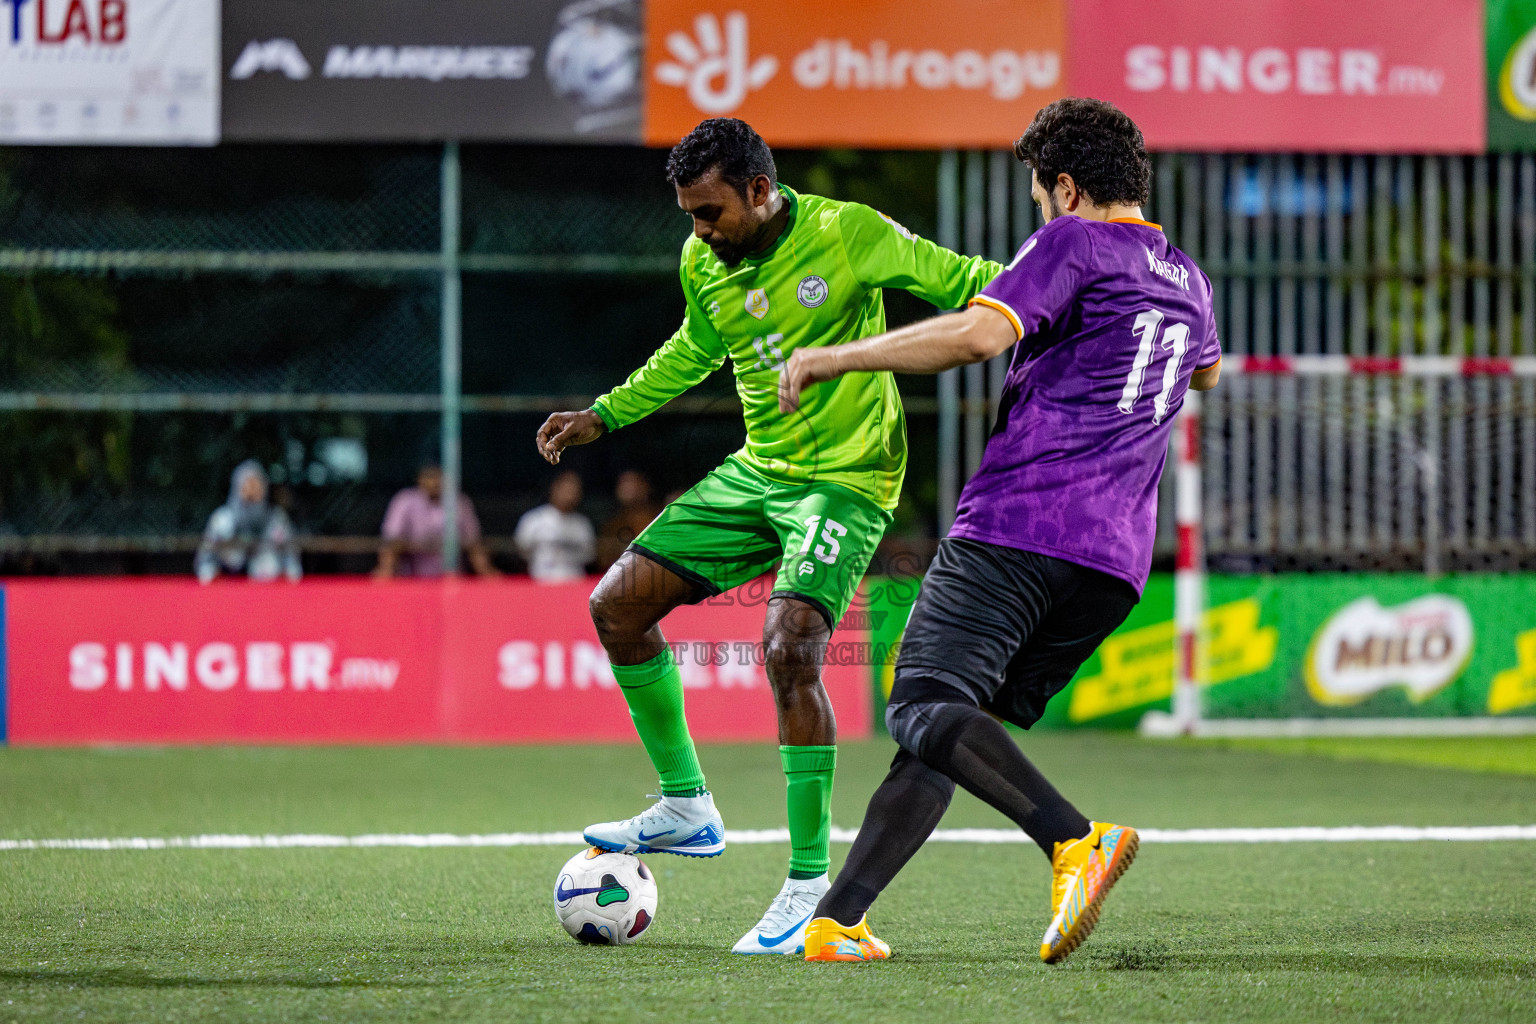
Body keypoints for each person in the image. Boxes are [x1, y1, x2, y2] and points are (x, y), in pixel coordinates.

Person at [535, 117, 999, 954]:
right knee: (617, 607)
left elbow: (971, 281)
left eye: (710, 213)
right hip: (760, 470)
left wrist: (1076, 308)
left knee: (789, 644)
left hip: (848, 480)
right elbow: (691, 351)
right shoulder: (701, 260)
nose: (698, 233)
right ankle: (687, 807)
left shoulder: (846, 233)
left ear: (759, 190)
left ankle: (808, 885)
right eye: (688, 215)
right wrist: (604, 415)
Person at [778, 98, 1223, 964]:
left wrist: (833, 356)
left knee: (918, 705)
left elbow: (981, 334)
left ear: (1064, 186)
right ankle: (838, 921)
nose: (1037, 208)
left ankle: (1072, 840)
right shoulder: (1190, 279)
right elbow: (1203, 375)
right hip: (1114, 563)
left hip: (1023, 523)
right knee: (954, 721)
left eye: (1036, 191)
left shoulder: (1072, 242)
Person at [375, 462, 498, 578]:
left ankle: (492, 583)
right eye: (429, 477)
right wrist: (420, 545)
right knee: (388, 552)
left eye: (438, 477)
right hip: (412, 571)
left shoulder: (460, 501)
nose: (434, 483)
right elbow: (391, 536)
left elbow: (473, 538)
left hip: (451, 573)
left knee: (478, 552)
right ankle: (381, 587)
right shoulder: (405, 500)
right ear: (420, 479)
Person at [195, 460, 302, 583]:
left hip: (267, 584)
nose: (251, 490)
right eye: (247, 484)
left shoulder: (277, 518)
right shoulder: (222, 519)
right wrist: (209, 575)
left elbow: (290, 555)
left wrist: (291, 576)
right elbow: (206, 557)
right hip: (229, 582)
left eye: (256, 484)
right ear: (237, 486)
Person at [513, 470, 595, 583]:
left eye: (573, 491)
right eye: (566, 490)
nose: (569, 496)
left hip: (574, 583)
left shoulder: (582, 524)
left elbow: (589, 556)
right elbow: (522, 551)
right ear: (555, 489)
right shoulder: (534, 519)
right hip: (541, 581)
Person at [596, 470, 662, 571]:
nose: (627, 488)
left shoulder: (657, 517)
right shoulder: (613, 523)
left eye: (632, 482)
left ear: (645, 487)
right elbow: (602, 559)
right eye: (623, 483)